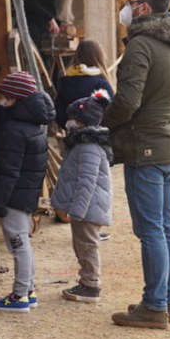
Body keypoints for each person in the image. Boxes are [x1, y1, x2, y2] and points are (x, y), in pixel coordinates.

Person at [105, 0, 170, 330]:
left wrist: (101, 123)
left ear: (144, 8)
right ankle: (165, 300)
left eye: (130, 1)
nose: (125, 7)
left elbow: (127, 101)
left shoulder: (141, 44)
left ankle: (154, 306)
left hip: (146, 147)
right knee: (164, 227)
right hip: (167, 143)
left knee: (151, 229)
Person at [0, 70, 55, 313]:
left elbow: (7, 170)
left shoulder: (13, 129)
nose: (2, 101)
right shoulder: (32, 124)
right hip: (24, 193)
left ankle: (20, 295)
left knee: (17, 243)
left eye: (6, 98)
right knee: (22, 242)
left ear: (16, 100)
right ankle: (28, 290)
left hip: (13, 196)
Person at [51, 91, 114, 303]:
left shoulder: (88, 147)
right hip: (87, 206)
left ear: (83, 121)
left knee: (87, 245)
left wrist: (77, 210)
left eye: (72, 118)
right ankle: (87, 281)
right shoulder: (81, 144)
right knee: (82, 245)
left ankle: (90, 285)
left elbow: (87, 182)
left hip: (87, 208)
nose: (68, 122)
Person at [53, 39, 115, 130]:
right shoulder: (101, 84)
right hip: (97, 138)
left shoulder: (66, 82)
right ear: (99, 56)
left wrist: (72, 126)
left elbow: (59, 114)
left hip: (72, 138)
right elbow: (111, 115)